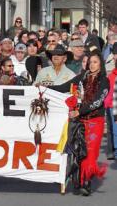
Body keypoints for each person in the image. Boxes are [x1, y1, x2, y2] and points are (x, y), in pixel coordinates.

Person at [49, 52, 109, 196]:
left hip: (95, 121)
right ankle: (81, 180)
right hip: (81, 121)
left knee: (91, 152)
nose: (92, 64)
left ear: (100, 63)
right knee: (80, 151)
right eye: (90, 62)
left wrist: (79, 111)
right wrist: (45, 88)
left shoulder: (104, 80)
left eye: (95, 62)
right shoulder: (83, 77)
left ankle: (86, 183)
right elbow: (64, 87)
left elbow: (98, 101)